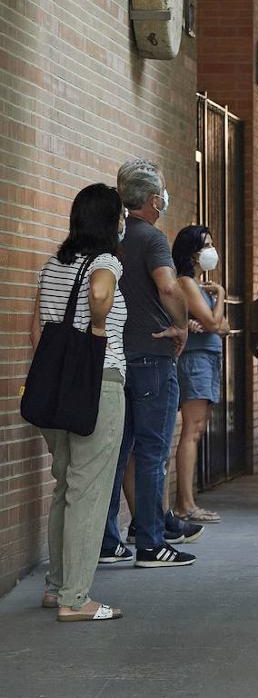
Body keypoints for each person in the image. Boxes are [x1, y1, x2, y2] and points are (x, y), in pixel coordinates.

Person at [31, 183, 128, 619]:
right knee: (89, 490)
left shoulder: (53, 265)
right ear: (110, 221)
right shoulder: (106, 261)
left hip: (54, 386)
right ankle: (76, 600)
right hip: (98, 383)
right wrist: (97, 331)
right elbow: (100, 294)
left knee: (65, 485)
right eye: (120, 216)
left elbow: (34, 330)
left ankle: (56, 587)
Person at [96, 159, 194, 570]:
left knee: (117, 451)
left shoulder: (109, 238)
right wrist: (181, 325)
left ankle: (105, 540)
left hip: (116, 357)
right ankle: (152, 544)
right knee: (154, 452)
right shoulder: (152, 238)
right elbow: (168, 285)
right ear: (155, 199)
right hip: (153, 355)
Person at [171, 226, 228, 523]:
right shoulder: (188, 283)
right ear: (191, 252)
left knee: (197, 430)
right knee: (191, 431)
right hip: (195, 361)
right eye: (206, 244)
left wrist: (213, 322)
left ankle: (187, 502)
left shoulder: (196, 284)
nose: (211, 250)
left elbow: (223, 326)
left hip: (206, 358)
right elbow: (214, 322)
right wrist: (220, 294)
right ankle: (185, 505)